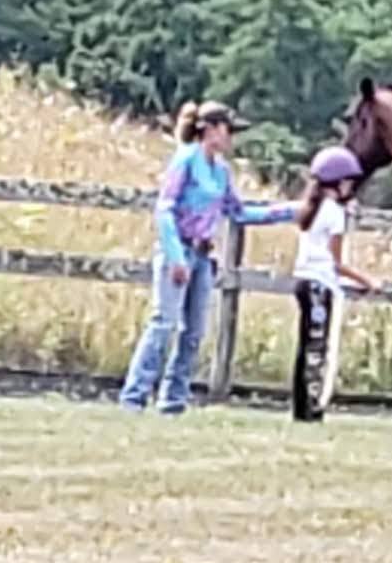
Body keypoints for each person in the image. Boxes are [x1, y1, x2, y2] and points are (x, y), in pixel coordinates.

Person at [120, 102, 295, 415]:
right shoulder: (186, 159)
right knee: (163, 323)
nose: (230, 138)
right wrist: (176, 257)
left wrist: (287, 211)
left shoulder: (221, 170)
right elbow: (165, 209)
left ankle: (173, 399)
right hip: (180, 249)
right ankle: (134, 396)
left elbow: (237, 212)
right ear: (210, 129)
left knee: (194, 331)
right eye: (228, 130)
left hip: (203, 255)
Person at [289, 146, 380, 422]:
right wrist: (367, 281)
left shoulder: (311, 208)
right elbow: (336, 263)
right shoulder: (334, 213)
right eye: (349, 182)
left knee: (306, 345)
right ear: (338, 182)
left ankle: (302, 406)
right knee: (316, 347)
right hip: (319, 285)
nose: (351, 187)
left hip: (304, 281)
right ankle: (310, 407)